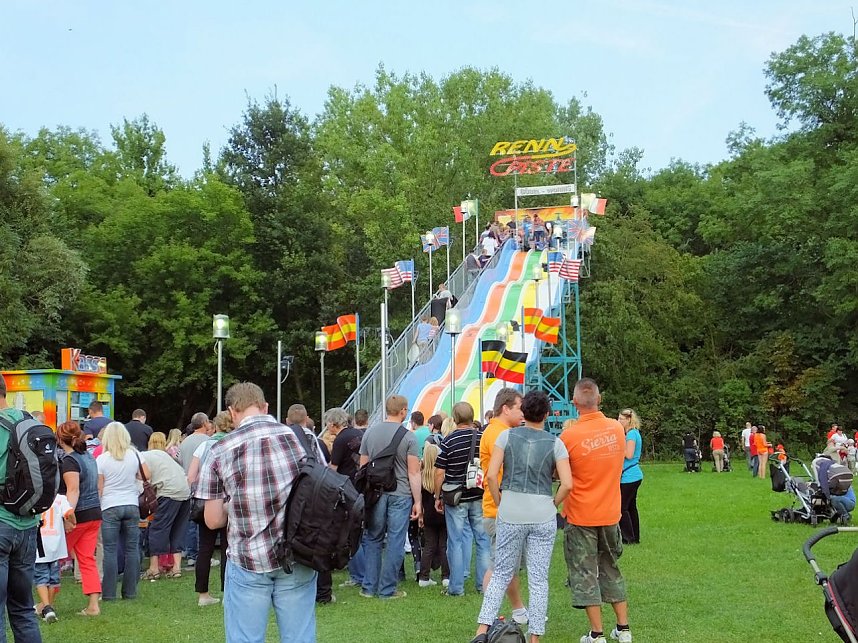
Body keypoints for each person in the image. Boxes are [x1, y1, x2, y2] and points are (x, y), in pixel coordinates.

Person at [197, 382, 325, 642]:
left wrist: (233, 503)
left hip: (248, 558)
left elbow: (212, 521)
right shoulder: (303, 438)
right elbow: (322, 490)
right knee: (300, 637)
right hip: (298, 554)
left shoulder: (219, 450)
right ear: (265, 407)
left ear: (232, 412)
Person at [473, 391, 572, 643]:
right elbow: (567, 484)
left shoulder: (505, 436)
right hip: (542, 512)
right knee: (539, 579)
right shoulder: (555, 443)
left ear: (524, 411)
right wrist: (553, 503)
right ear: (547, 415)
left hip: (511, 511)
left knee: (501, 574)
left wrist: (500, 501)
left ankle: (481, 631)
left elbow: (492, 475)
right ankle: (534, 637)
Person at [560, 378, 632, 643]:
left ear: (575, 403)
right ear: (599, 400)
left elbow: (561, 475)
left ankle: (597, 633)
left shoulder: (569, 436)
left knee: (585, 572)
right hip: (611, 512)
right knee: (611, 566)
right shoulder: (616, 429)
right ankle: (623, 629)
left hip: (580, 515)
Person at [358, 395, 421, 599]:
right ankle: (387, 589)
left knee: (373, 538)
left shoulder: (370, 432)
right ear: (402, 411)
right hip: (400, 493)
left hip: (375, 492)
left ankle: (369, 587)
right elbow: (414, 472)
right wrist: (418, 501)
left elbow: (363, 467)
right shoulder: (409, 437)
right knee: (395, 540)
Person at [478, 388, 527, 623]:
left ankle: (518, 610)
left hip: (500, 507)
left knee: (509, 566)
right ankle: (491, 617)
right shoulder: (500, 434)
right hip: (499, 510)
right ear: (506, 408)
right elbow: (494, 475)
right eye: (519, 407)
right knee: (499, 568)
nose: (523, 412)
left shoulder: (500, 430)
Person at [434, 402, 491, 597]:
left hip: (455, 497)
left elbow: (439, 472)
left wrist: (437, 496)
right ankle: (484, 586)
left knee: (455, 542)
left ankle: (456, 588)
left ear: (455, 418)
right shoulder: (483, 438)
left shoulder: (449, 441)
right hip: (479, 494)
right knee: (483, 540)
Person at [56, 420, 102, 616]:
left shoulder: (70, 461)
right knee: (86, 559)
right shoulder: (89, 457)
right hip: (94, 513)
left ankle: (45, 602)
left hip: (79, 516)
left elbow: (73, 490)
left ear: (60, 440)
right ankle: (93, 605)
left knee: (54, 558)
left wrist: (68, 516)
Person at [97, 422, 146, 602]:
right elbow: (145, 475)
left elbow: (99, 488)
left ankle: (109, 594)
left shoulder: (102, 459)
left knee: (110, 550)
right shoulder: (134, 455)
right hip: (131, 504)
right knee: (132, 549)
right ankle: (130, 592)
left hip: (110, 505)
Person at [187, 410, 231, 606]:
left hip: (206, 500)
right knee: (228, 549)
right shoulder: (235, 444)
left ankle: (203, 594)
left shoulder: (205, 445)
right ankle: (228, 592)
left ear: (216, 426)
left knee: (204, 548)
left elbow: (191, 476)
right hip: (230, 501)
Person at [141, 433, 191, 581]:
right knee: (178, 529)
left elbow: (143, 478)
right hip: (185, 491)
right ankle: (176, 568)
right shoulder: (163, 455)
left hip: (169, 493)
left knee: (157, 528)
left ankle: (154, 568)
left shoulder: (142, 457)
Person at [331, 408, 367, 589]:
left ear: (333, 423)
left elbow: (333, 468)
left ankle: (358, 575)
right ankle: (365, 573)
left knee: (351, 534)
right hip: (362, 486)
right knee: (363, 532)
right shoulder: (359, 434)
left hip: (347, 489)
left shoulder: (340, 440)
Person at [33, 492, 72, 624]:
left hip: (39, 544)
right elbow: (69, 513)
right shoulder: (60, 499)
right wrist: (72, 522)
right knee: (54, 578)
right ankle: (48, 606)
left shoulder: (35, 496)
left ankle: (46, 606)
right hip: (56, 546)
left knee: (41, 578)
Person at [179, 412, 212, 567]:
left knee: (190, 521)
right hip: (202, 486)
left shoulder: (184, 442)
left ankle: (189, 551)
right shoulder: (207, 441)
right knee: (202, 522)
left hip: (186, 485)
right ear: (205, 423)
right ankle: (198, 553)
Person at [418, 443, 449, 588]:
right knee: (444, 545)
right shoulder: (442, 475)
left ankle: (424, 577)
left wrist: (421, 516)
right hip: (442, 514)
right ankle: (446, 576)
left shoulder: (422, 476)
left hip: (428, 515)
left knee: (429, 545)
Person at [618, 409, 643, 545]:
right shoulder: (633, 433)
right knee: (631, 507)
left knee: (622, 508)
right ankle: (635, 536)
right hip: (633, 475)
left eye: (621, 419)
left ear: (628, 420)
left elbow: (629, 454)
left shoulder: (631, 435)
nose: (618, 421)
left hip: (629, 476)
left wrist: (617, 448)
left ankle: (628, 537)